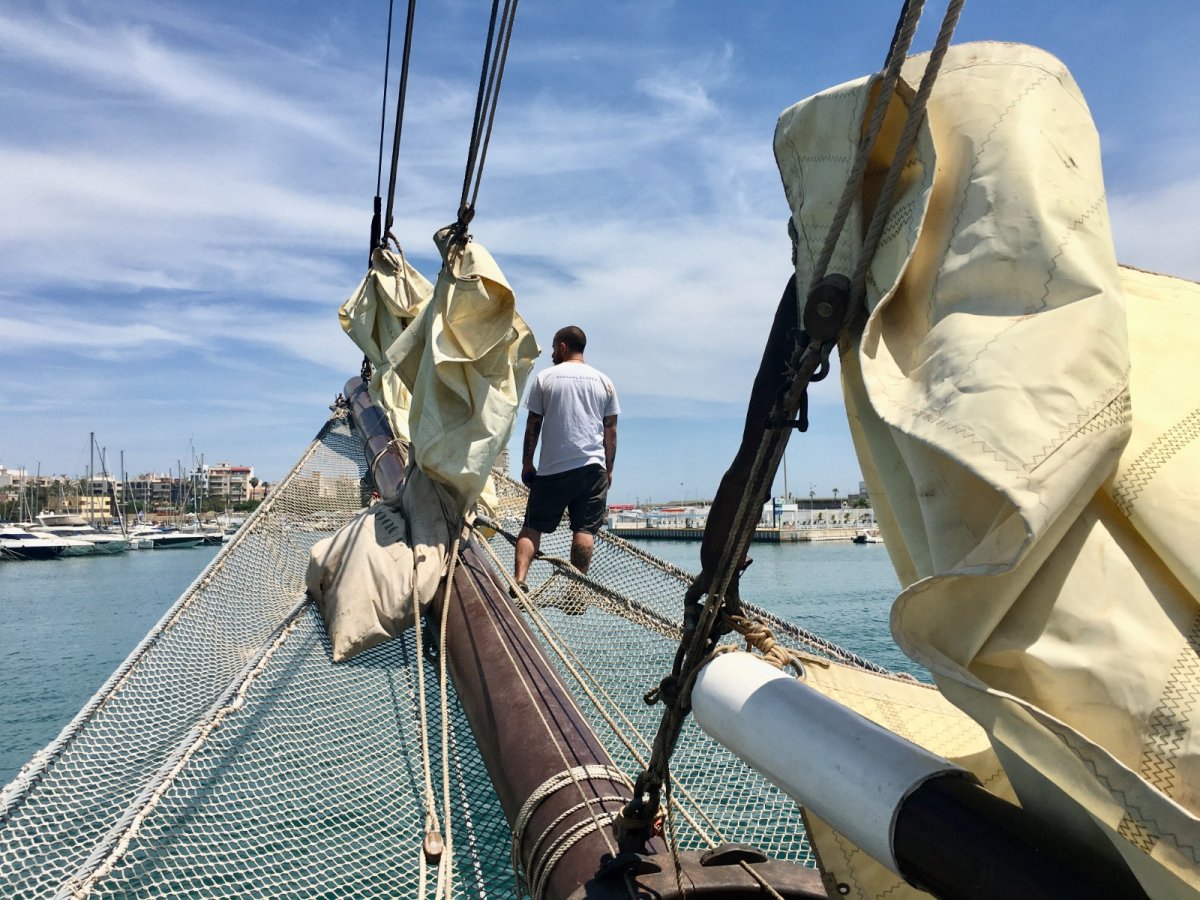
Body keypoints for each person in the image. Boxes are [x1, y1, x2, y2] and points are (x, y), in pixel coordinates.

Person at [513, 325, 619, 591]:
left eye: (553, 348)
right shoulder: (604, 382)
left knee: (532, 526)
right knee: (584, 531)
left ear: (562, 347)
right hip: (593, 467)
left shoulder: (545, 378)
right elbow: (611, 431)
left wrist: (527, 463)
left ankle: (519, 581)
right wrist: (609, 469)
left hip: (553, 470)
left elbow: (533, 425)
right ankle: (576, 591)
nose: (551, 353)